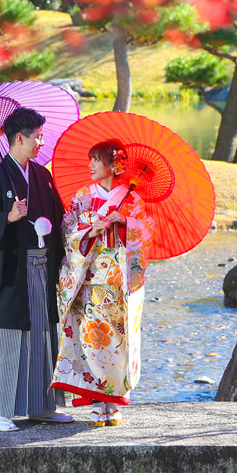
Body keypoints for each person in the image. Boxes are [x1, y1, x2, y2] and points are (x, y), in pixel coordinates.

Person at [0, 107, 73, 431]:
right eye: (37, 136)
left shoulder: (42, 176)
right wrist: (7, 218)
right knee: (8, 336)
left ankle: (41, 405)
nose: (42, 141)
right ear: (19, 138)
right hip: (9, 270)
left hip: (39, 265)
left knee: (42, 334)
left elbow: (58, 218)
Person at [51, 140, 153, 426]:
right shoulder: (83, 196)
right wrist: (89, 229)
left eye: (96, 160)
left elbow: (146, 236)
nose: (91, 165)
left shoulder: (132, 199)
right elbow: (67, 229)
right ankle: (98, 401)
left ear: (114, 164)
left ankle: (114, 401)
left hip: (120, 283)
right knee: (93, 342)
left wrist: (126, 222)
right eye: (90, 159)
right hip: (91, 281)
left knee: (120, 342)